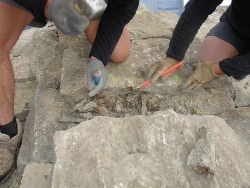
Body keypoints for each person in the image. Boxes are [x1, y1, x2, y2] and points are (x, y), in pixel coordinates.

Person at [0, 0, 139, 183]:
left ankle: (77, 13)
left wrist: (98, 57)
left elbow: (121, 10)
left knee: (119, 52)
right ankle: (7, 130)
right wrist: (47, 6)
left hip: (86, 2)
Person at [146, 0, 250, 92]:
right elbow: (197, 9)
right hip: (236, 27)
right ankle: (239, 66)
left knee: (213, 70)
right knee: (204, 64)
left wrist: (216, 69)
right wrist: (173, 56)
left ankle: (239, 67)